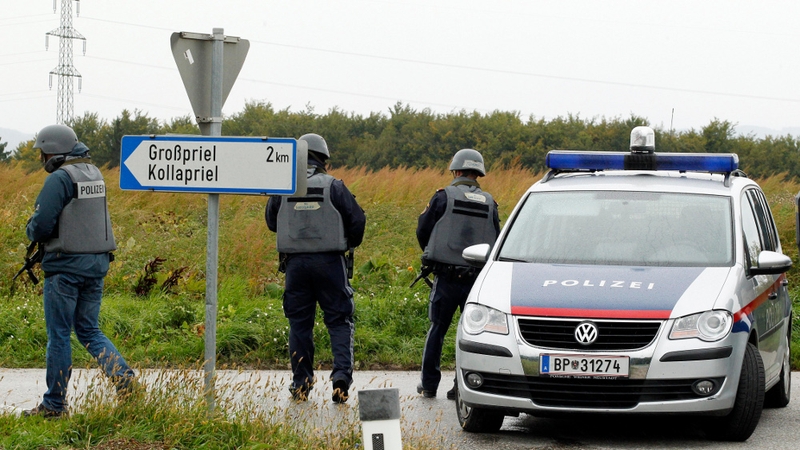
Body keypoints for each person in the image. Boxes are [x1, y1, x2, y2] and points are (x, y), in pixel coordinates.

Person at [23, 124, 137, 418]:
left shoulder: (60, 178)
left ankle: (54, 405)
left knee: (59, 334)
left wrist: (31, 230)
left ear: (53, 151)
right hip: (96, 265)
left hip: (65, 267)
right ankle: (124, 379)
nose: (41, 157)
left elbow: (40, 225)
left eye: (42, 152)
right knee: (88, 329)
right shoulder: (93, 173)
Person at [265, 133, 366, 403]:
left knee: (299, 324)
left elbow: (272, 223)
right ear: (324, 160)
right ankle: (341, 378)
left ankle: (301, 383)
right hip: (331, 263)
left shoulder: (283, 185)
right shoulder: (335, 186)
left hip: (295, 265)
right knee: (339, 321)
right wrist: (344, 242)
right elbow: (357, 221)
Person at [416, 148, 500, 399]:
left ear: (456, 170)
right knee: (471, 333)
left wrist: (434, 253)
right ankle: (461, 388)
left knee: (437, 329)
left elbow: (423, 230)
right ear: (478, 174)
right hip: (476, 280)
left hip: (446, 277)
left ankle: (429, 385)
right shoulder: (490, 202)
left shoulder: (442, 197)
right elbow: (496, 238)